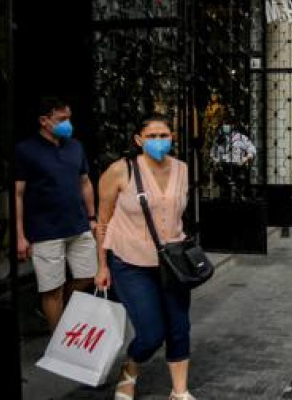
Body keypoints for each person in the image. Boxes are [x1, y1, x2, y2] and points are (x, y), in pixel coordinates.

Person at [95, 114, 197, 400]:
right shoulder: (120, 170)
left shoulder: (182, 169)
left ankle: (180, 391)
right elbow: (102, 222)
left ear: (172, 137)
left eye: (164, 135)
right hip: (130, 263)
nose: (158, 141)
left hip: (173, 263)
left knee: (179, 328)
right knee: (151, 334)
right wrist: (102, 265)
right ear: (139, 140)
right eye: (151, 136)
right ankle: (129, 370)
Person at [15, 96, 97, 331]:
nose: (68, 124)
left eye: (69, 118)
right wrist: (20, 236)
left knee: (88, 277)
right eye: (62, 119)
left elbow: (85, 182)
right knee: (52, 289)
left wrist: (92, 218)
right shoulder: (25, 150)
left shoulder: (75, 146)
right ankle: (58, 341)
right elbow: (17, 194)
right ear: (44, 121)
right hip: (45, 231)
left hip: (79, 226)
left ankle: (59, 310)